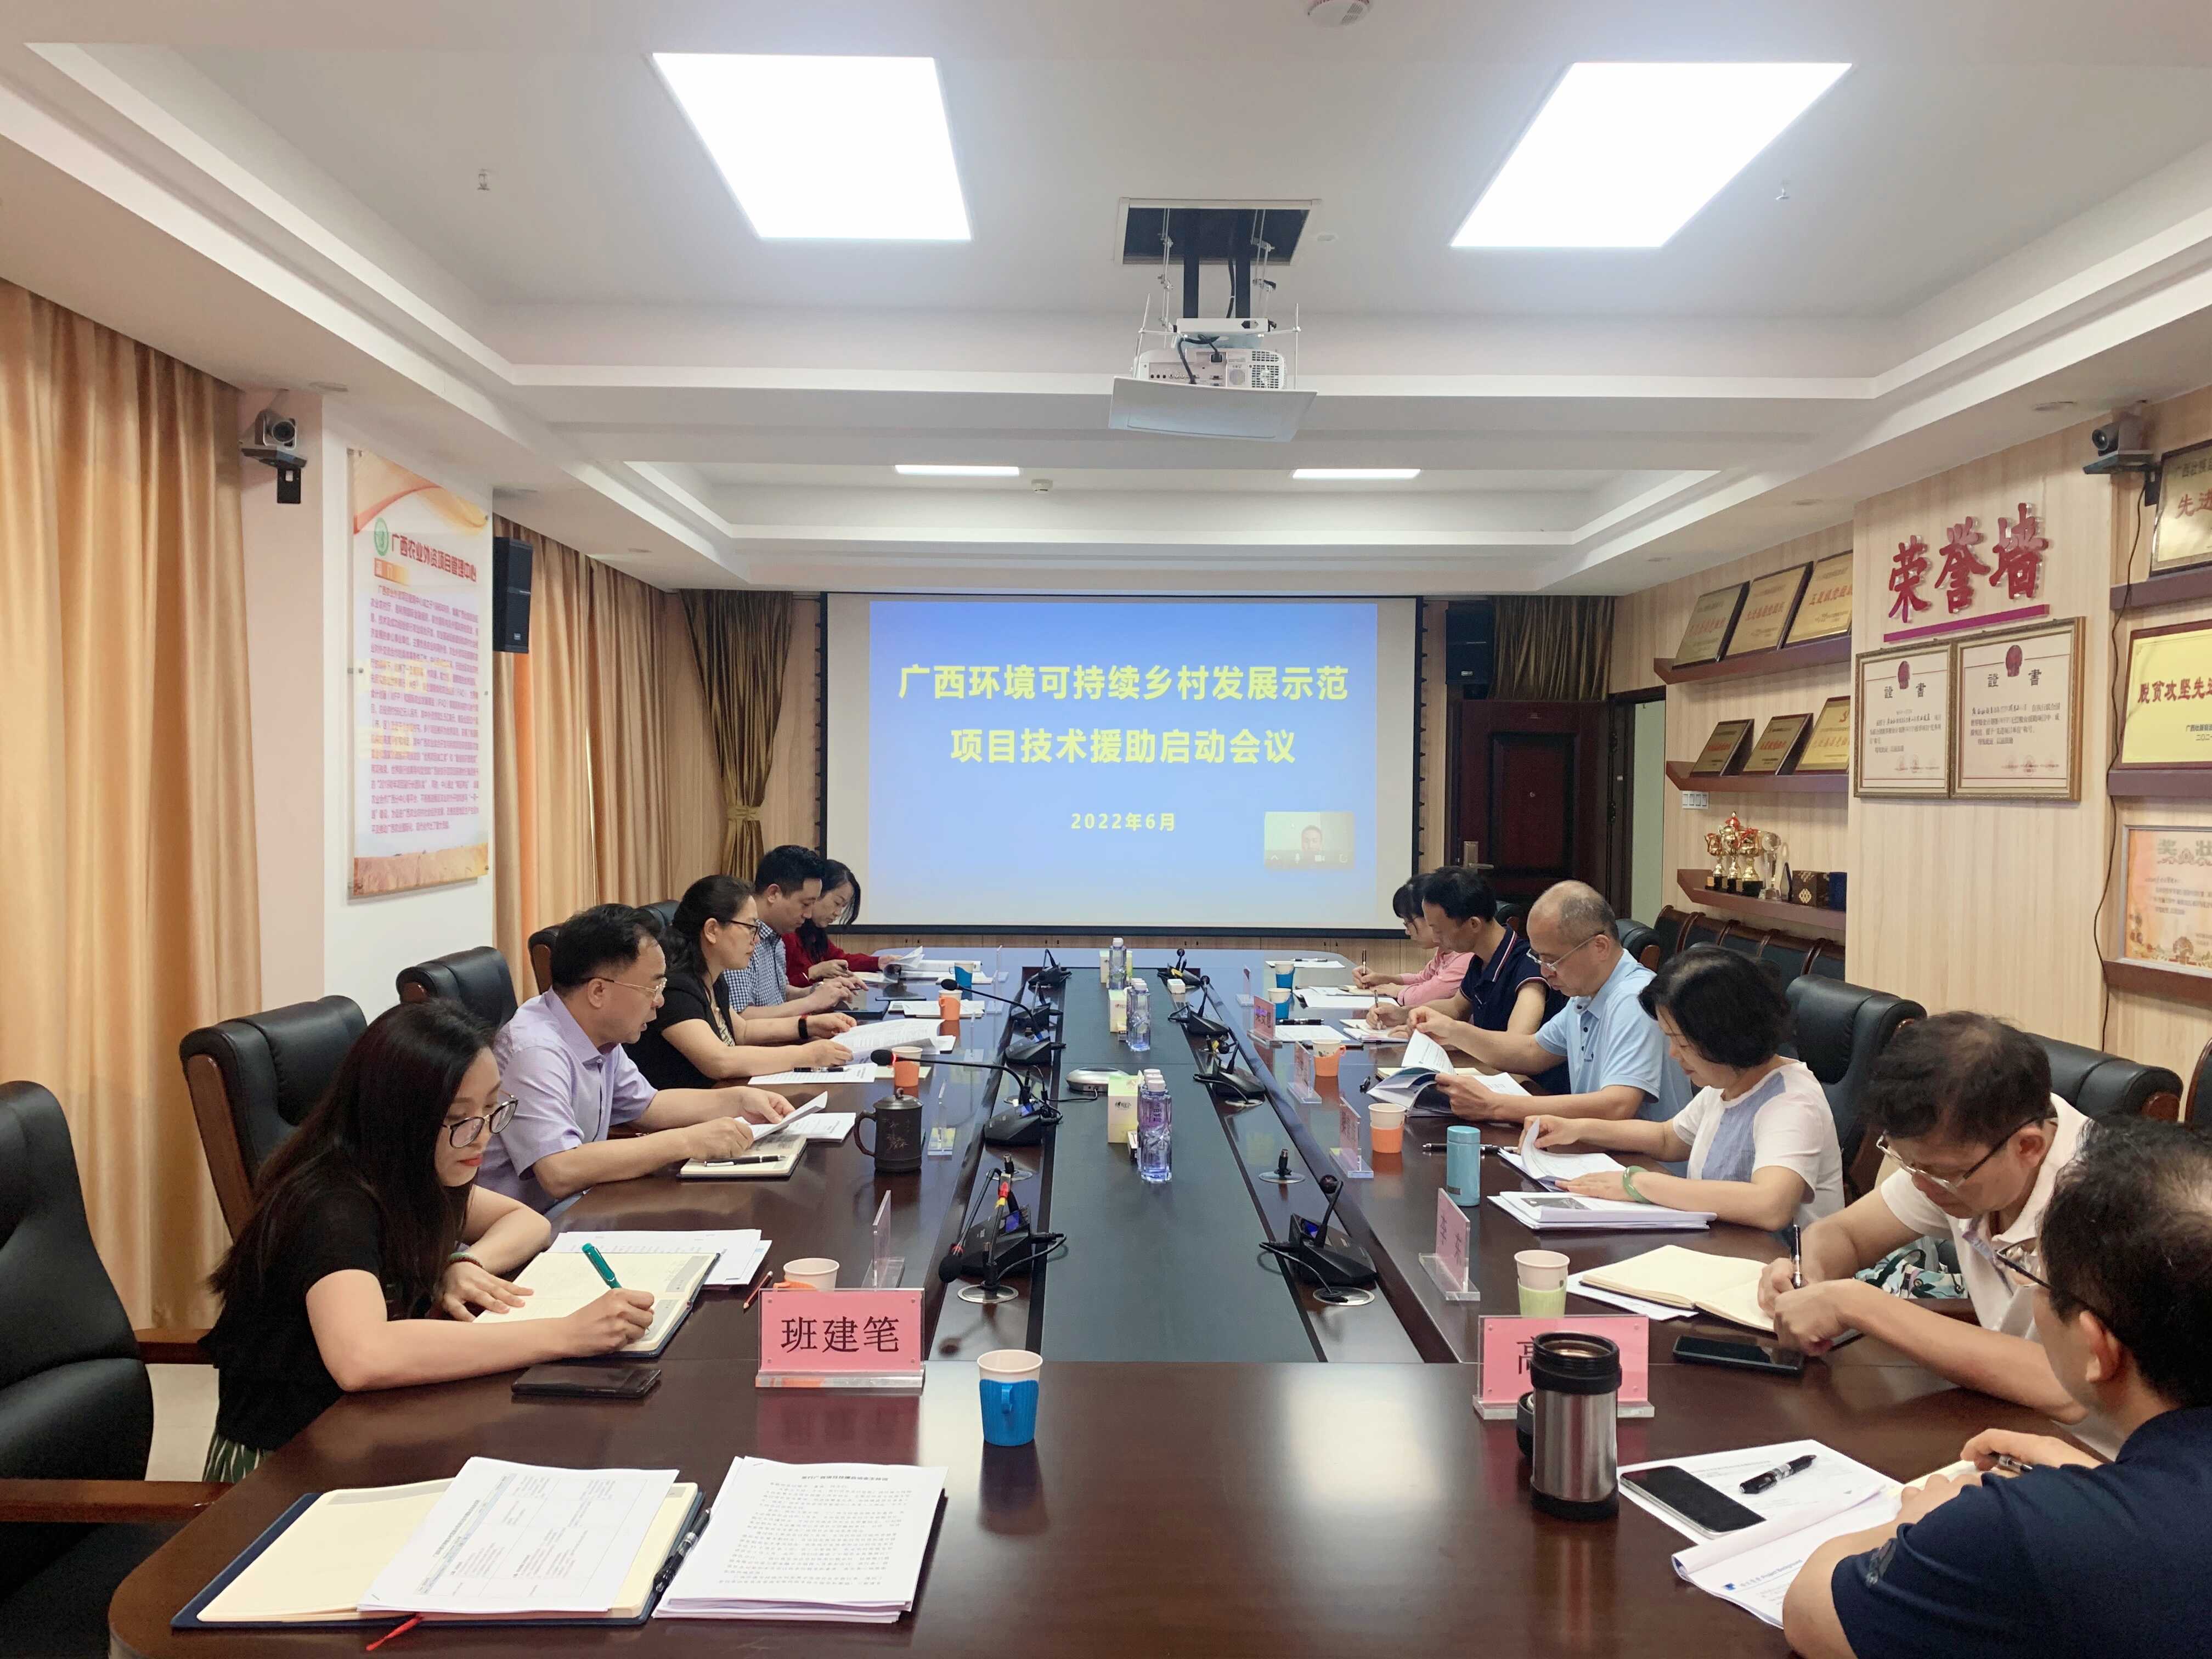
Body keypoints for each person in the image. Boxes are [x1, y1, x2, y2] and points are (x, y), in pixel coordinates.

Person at [1780, 1118, 2212, 1659]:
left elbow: (1810, 1610)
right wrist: (2104, 1485)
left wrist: (1920, 1526)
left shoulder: (2018, 1530)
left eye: (2039, 1280)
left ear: (2095, 1348)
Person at [201, 1000, 655, 1477]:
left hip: (378, 1428)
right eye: (460, 1117)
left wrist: (465, 1263)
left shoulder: (416, 1170)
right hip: (285, 1466)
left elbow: (526, 1222)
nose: (482, 1135)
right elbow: (363, 1356)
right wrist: (564, 1334)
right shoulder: (331, 1205)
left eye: (491, 1108)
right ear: (399, 1117)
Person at [1756, 1012, 2085, 1418]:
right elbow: (1847, 1235)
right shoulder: (1965, 1155)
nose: (1922, 1185)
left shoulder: (2100, 1199)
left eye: (1941, 1174)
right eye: (1908, 1164)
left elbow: (2067, 1386)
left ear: (2028, 1147)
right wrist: (1808, 1277)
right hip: (2004, 1414)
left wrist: (1858, 1304)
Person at [482, 904, 792, 1212]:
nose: (660, 1001)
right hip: (532, 1224)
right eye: (652, 987)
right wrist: (687, 1142)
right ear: (598, 992)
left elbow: (647, 1106)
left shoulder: (598, 1032)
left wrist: (738, 1100)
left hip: (583, 1204)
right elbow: (559, 1171)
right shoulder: (534, 1050)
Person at [1522, 946, 1844, 1229]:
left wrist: (1637, 1184)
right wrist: (1577, 1128)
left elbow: (1769, 1206)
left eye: (1682, 1042)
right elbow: (1668, 1139)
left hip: (1778, 1265)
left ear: (1725, 1036)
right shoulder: (1729, 1079)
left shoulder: (1791, 1102)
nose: (1674, 1054)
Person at [1410, 881, 1689, 1125]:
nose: (1545, 972)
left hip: (1643, 1164)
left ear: (1600, 947)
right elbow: (1531, 1051)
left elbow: (1617, 1105)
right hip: (1599, 1149)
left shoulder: (1634, 999)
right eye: (1539, 958)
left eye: (1553, 960)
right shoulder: (1585, 994)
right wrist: (1452, 1031)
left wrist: (1496, 1106)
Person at [630, 876, 861, 1089]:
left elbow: (743, 1030)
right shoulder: (675, 988)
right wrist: (808, 1055)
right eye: (751, 928)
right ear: (712, 930)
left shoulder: (711, 977)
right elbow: (720, 1061)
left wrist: (809, 1025)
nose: (757, 939)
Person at [1369, 871, 1564, 1098]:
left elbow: (1517, 1044)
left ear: (1473, 924)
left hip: (1532, 1092)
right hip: (1495, 1076)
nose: (1436, 938)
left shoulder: (1528, 965)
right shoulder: (1479, 961)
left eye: (1439, 930)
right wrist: (1403, 1014)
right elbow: (1455, 1008)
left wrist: (1453, 1033)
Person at [724, 844, 865, 1020]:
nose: (808, 914)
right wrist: (811, 1002)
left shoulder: (776, 937)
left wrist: (818, 991)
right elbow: (741, 1017)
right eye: (805, 904)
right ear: (773, 893)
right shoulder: (738, 935)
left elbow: (781, 993)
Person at [1351, 878, 1472, 1010]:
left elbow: (1428, 996)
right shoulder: (1445, 951)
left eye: (1408, 922)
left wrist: (1399, 991)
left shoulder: (1465, 955)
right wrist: (1385, 980)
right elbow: (1424, 979)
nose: (1407, 931)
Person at [784, 859, 899, 985]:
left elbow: (840, 960)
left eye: (843, 906)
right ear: (817, 893)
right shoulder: (788, 932)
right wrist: (813, 972)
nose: (838, 913)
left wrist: (878, 962)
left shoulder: (815, 932)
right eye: (837, 903)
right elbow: (779, 990)